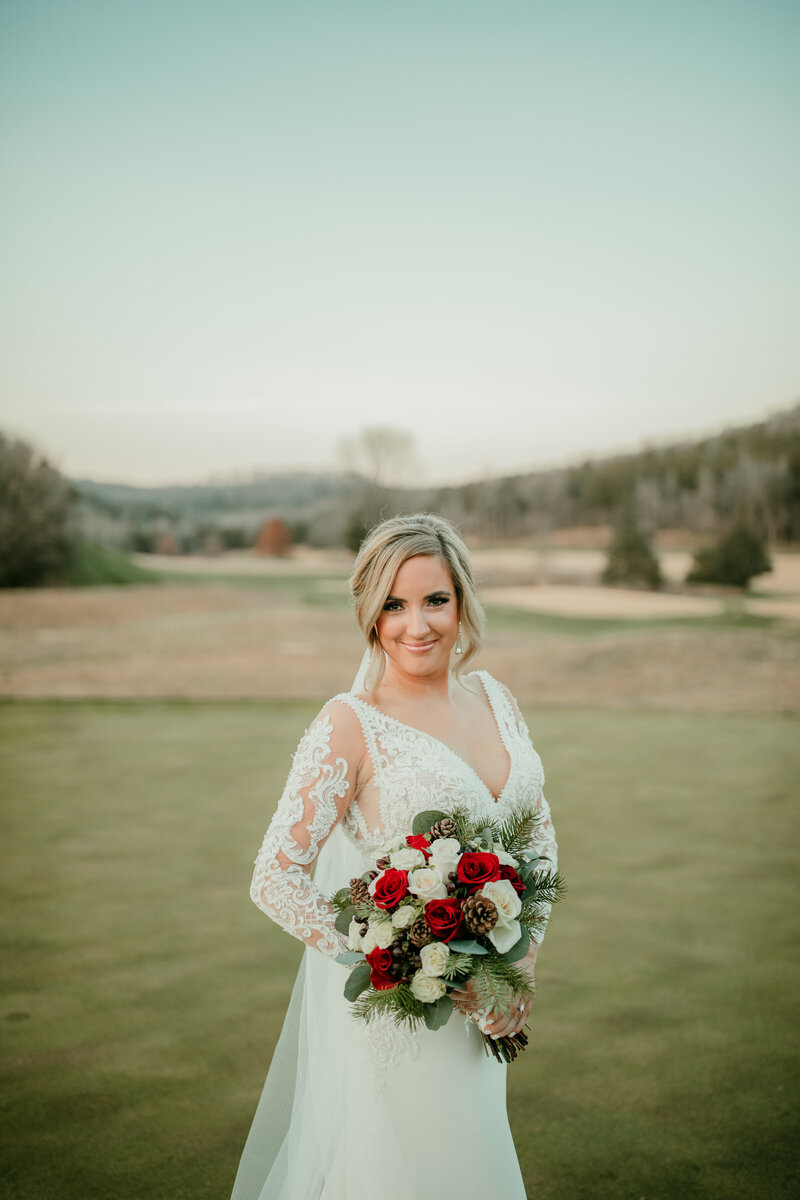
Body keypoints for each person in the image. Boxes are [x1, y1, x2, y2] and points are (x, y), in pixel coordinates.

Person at [230, 513, 558, 1200]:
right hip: (400, 1020)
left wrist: (516, 974)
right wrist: (391, 958)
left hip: (479, 1014)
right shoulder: (351, 723)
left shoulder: (497, 699)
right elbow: (274, 876)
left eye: (435, 599)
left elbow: (537, 845)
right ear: (369, 614)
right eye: (394, 604)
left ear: (461, 599)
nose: (418, 625)